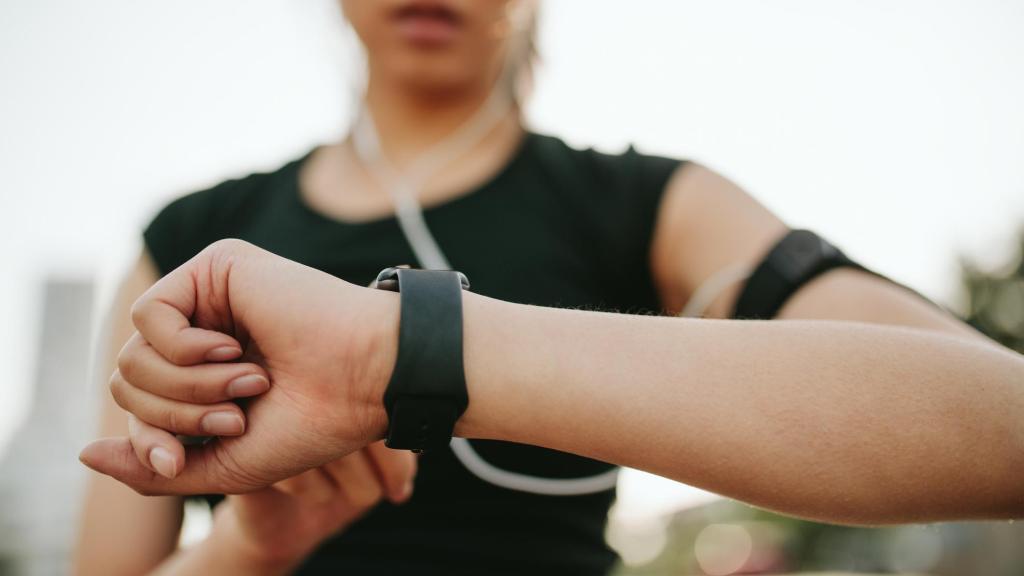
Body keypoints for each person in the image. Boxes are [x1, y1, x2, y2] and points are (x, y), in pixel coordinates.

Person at [74, 1, 1024, 575]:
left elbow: (1002, 429)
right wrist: (251, 550)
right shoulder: (192, 241)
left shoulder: (649, 204)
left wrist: (404, 354)